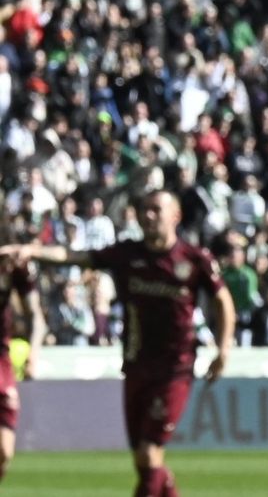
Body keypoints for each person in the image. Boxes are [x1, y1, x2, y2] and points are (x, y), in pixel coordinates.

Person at [0, 190, 235, 497]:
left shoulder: (193, 259)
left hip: (174, 369)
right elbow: (73, 256)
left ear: (175, 216)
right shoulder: (126, 254)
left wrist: (223, 349)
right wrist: (31, 251)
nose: (147, 215)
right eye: (144, 209)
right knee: (144, 462)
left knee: (149, 453)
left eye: (156, 210)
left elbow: (223, 300)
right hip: (136, 365)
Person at [0, 250, 44, 484]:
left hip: (1, 362)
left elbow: (37, 318)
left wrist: (33, 353)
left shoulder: (16, 267)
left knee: (4, 451)